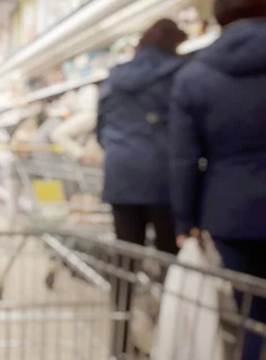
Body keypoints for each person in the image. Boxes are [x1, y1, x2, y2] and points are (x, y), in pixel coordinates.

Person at [170, 0, 266, 360]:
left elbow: (183, 158)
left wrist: (184, 221)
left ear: (218, 20)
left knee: (250, 311)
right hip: (232, 209)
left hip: (231, 212)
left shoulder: (193, 76)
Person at [97, 18, 187, 355]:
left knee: (125, 263)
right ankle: (168, 341)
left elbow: (100, 129)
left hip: (122, 178)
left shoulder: (115, 77)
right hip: (166, 179)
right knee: (171, 269)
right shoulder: (181, 73)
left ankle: (120, 342)